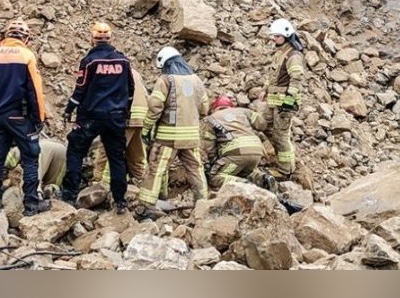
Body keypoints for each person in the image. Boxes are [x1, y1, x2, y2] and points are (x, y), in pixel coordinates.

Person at [0, 20, 51, 216]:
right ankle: (31, 205)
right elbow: (35, 91)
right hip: (20, 117)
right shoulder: (27, 55)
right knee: (30, 159)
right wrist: (38, 119)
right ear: (25, 38)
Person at [61, 22, 133, 214]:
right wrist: (126, 112)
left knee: (75, 151)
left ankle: (69, 194)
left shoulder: (89, 62)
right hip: (115, 117)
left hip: (90, 116)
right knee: (116, 158)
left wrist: (69, 109)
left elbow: (80, 89)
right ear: (110, 39)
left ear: (92, 39)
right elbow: (130, 90)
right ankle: (120, 201)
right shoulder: (123, 61)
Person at [137, 46, 209, 220]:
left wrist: (146, 129)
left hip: (168, 137)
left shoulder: (166, 79)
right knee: (196, 169)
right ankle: (203, 204)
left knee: (156, 169)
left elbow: (155, 106)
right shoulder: (196, 80)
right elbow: (205, 108)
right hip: (191, 137)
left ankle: (147, 206)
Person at [259, 18, 305, 178]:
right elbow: (272, 75)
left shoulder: (293, 55)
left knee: (281, 135)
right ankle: (282, 156)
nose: (274, 39)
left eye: (277, 36)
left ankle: (285, 170)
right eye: (273, 36)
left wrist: (289, 101)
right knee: (262, 124)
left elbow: (296, 79)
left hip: (284, 104)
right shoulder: (281, 53)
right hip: (274, 101)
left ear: (286, 36)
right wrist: (265, 89)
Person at [201, 94, 277, 192]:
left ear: (215, 108)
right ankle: (263, 179)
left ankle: (245, 185)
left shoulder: (211, 119)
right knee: (243, 171)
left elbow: (209, 144)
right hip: (256, 150)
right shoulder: (243, 111)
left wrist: (214, 161)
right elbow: (262, 124)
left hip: (236, 152)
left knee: (214, 177)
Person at [93, 67, 149, 185]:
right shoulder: (135, 72)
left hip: (123, 116)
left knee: (108, 149)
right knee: (137, 152)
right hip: (141, 116)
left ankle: (100, 183)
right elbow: (145, 95)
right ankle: (141, 180)